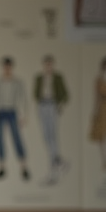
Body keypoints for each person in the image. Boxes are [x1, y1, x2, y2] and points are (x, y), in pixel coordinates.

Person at [0, 56, 31, 181]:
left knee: (17, 138)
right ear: (3, 67)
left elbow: (23, 99)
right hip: (0, 111)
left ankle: (23, 168)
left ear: (11, 67)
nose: (7, 69)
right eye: (5, 66)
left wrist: (24, 115)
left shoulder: (17, 82)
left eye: (9, 66)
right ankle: (1, 168)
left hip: (12, 111)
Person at [33, 55, 68, 184]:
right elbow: (35, 93)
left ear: (53, 65)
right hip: (42, 106)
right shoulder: (39, 78)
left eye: (50, 64)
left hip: (52, 105)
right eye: (46, 64)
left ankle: (53, 170)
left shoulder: (58, 77)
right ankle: (59, 161)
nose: (48, 67)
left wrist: (60, 105)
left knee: (52, 135)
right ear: (43, 65)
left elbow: (65, 94)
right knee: (46, 136)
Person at [91, 55, 106, 170]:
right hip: (103, 109)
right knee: (103, 136)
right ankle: (105, 161)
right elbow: (97, 97)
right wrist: (95, 111)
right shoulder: (99, 79)